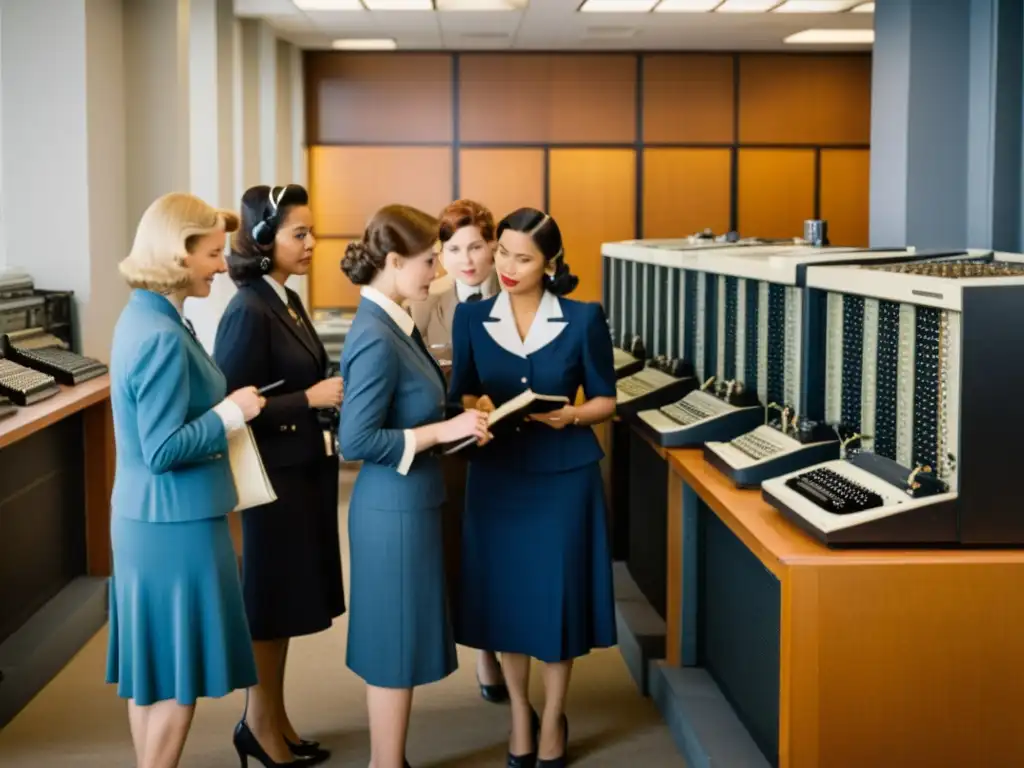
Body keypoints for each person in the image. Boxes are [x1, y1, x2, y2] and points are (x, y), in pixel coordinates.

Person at [448, 208, 618, 768]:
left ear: (550, 264)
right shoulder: (471, 321)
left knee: (557, 600)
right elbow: (462, 394)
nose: (507, 267)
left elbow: (605, 400)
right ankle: (521, 712)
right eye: (502, 254)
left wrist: (573, 416)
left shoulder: (583, 317)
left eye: (523, 258)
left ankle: (554, 715)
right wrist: (479, 406)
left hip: (564, 476)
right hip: (497, 476)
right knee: (509, 602)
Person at [106, 192, 265, 768]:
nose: (223, 267)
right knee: (177, 679)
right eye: (213, 254)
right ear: (179, 253)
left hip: (148, 519)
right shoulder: (161, 335)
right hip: (176, 523)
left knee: (151, 675)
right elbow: (163, 450)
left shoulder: (147, 315)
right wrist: (232, 413)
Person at [338, 204, 491, 768]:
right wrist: (442, 430)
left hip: (409, 505)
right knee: (393, 647)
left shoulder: (396, 319)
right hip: (393, 511)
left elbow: (412, 404)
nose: (438, 272)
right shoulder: (378, 333)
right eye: (430, 261)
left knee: (397, 643)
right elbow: (356, 441)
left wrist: (462, 411)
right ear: (395, 261)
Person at [213, 184, 344, 767]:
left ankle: (276, 719)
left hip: (298, 473)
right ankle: (257, 726)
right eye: (300, 233)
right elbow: (233, 403)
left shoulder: (283, 299)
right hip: (270, 481)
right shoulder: (248, 308)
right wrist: (308, 398)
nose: (312, 242)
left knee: (287, 601)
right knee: (268, 605)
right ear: (264, 240)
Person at [407, 199, 506, 705]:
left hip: (511, 446)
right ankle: (482, 650)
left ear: (493, 246)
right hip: (449, 451)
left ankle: (500, 647)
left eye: (475, 246)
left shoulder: (520, 295)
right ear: (440, 255)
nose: (466, 260)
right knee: (461, 552)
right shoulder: (424, 304)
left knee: (502, 555)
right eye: (453, 250)